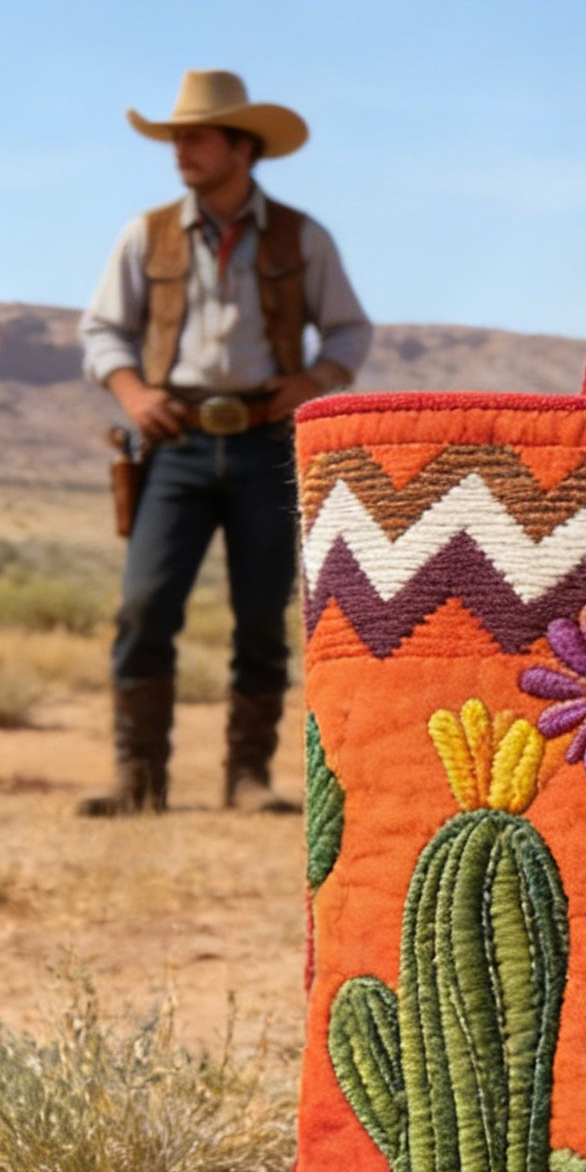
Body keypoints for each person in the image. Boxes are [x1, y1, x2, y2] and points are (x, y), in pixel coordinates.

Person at [79, 69, 372, 814]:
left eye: (196, 135)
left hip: (266, 441)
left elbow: (349, 329)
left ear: (242, 147)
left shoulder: (302, 235)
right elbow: (103, 332)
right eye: (175, 136)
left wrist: (311, 382)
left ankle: (247, 778)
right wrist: (135, 395)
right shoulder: (144, 234)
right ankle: (137, 780)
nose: (180, 148)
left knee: (262, 609)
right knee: (145, 605)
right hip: (171, 442)